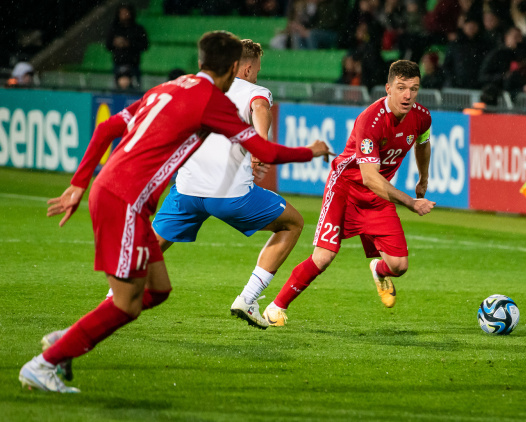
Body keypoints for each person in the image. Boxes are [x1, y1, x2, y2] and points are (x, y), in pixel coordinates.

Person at [19, 31, 331, 393]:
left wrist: (78, 183)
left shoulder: (168, 88)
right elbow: (265, 144)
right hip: (126, 200)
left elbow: (107, 127)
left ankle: (70, 339)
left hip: (132, 191)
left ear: (200, 62)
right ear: (234, 68)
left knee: (158, 290)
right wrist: (311, 151)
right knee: (126, 304)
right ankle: (46, 362)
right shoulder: (213, 101)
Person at [262, 60, 435, 326]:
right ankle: (275, 307)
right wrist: (411, 202)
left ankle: (379, 269)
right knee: (324, 256)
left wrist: (423, 178)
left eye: (414, 89)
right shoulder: (370, 120)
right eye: (401, 88)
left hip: (378, 196)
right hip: (346, 189)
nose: (408, 95)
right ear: (388, 88)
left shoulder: (422, 116)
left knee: (399, 266)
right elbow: (369, 176)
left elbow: (423, 142)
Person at [150, 39, 304, 330]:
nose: (257, 75)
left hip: (187, 189)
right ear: (245, 68)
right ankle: (248, 298)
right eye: (256, 70)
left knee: (154, 244)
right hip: (228, 194)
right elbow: (260, 108)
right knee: (293, 223)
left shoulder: (199, 86)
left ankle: (113, 295)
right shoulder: (255, 91)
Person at [106, 3, 149, 84]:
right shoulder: (114, 29)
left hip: (134, 64)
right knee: (116, 90)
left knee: (136, 89)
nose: (124, 15)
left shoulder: (138, 29)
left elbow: (145, 46)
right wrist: (115, 43)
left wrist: (129, 43)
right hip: (118, 64)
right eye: (121, 13)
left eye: (126, 13)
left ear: (131, 13)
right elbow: (108, 45)